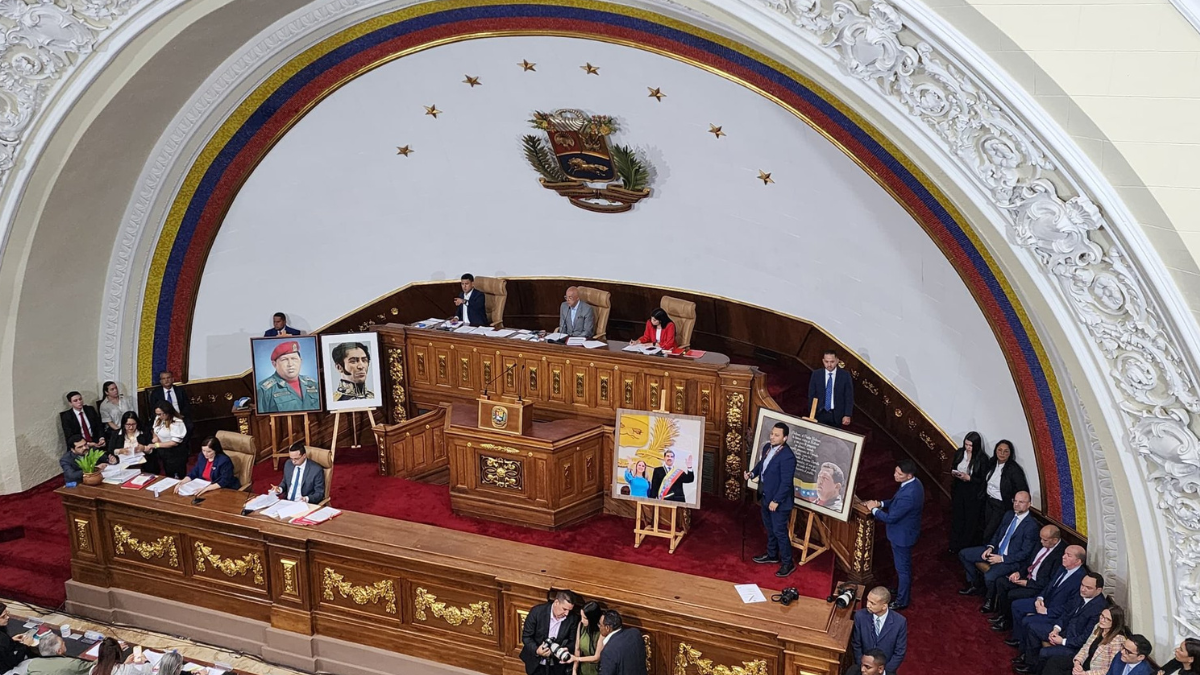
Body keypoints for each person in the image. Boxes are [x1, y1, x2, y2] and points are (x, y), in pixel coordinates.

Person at [1015, 572, 1107, 673]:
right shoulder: (1080, 595)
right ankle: (1030, 664)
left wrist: (1062, 641)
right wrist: (1056, 629)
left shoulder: (1099, 609)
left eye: (1088, 587)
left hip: (1074, 645)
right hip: (1063, 631)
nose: (1083, 589)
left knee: (1044, 652)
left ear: (1098, 590)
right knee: (1032, 628)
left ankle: (1035, 671)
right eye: (1082, 585)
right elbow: (1066, 614)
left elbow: (1086, 638)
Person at [958, 491, 1040, 605]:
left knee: (989, 576)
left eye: (1021, 502)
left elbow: (1025, 553)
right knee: (964, 554)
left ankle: (990, 601)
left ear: (1029, 504)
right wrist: (990, 547)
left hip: (1010, 560)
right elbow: (997, 534)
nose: (1016, 504)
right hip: (995, 551)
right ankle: (975, 585)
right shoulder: (1009, 515)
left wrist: (1001, 559)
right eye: (1015, 501)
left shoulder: (1031, 526)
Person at [864, 459, 924, 609]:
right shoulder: (914, 484)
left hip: (902, 536)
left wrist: (873, 509)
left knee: (903, 570)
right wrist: (881, 503)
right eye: (896, 471)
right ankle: (899, 591)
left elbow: (890, 518)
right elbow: (895, 501)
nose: (895, 475)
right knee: (902, 567)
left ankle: (902, 601)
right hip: (906, 532)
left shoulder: (909, 494)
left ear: (909, 476)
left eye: (899, 474)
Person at [745, 422, 798, 577]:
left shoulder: (788, 457)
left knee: (780, 531)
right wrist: (752, 474)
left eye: (777, 435)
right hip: (766, 496)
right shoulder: (767, 447)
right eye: (772, 434)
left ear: (785, 438)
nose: (773, 437)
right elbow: (763, 465)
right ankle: (772, 555)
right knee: (769, 528)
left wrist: (777, 500)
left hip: (779, 502)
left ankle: (788, 563)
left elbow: (786, 483)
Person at [989, 524, 1066, 631]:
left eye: (1044, 540)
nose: (1041, 542)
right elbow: (1029, 561)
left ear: (1054, 540)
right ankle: (1002, 615)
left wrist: (1027, 583)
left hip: (1037, 586)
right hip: (1027, 576)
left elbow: (1050, 581)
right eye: (1041, 539)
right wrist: (1019, 573)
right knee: (1001, 582)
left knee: (1012, 594)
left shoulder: (1061, 555)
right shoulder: (1041, 544)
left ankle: (1008, 622)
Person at [1008, 545, 1088, 643]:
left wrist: (1047, 611)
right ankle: (1018, 638)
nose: (1063, 557)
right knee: (1017, 605)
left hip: (1055, 613)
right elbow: (1049, 586)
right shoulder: (1062, 568)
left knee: (1028, 621)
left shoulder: (1081, 579)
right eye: (1064, 553)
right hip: (1044, 602)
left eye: (1069, 555)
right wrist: (1040, 598)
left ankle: (1025, 651)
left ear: (1078, 561)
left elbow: (1070, 606)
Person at [1042, 605, 1127, 675]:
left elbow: (1110, 669)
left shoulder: (1118, 640)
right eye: (1102, 616)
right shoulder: (1098, 627)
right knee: (1053, 662)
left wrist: (1085, 673)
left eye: (1107, 619)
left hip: (1093, 671)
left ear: (1115, 622)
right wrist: (1077, 662)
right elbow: (1086, 647)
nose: (1102, 620)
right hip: (1084, 662)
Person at [848, 588, 907, 675]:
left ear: (884, 606)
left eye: (872, 603)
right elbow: (856, 644)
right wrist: (863, 667)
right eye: (868, 600)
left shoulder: (900, 622)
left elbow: (899, 651)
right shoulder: (860, 616)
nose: (868, 605)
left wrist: (884, 671)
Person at [519, 590, 580, 675]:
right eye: (564, 609)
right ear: (556, 602)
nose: (566, 613)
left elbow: (573, 642)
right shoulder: (537, 612)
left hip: (557, 667)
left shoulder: (572, 619)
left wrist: (566, 648)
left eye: (569, 610)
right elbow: (526, 637)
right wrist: (537, 650)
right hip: (536, 664)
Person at [981, 439, 1029, 541]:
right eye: (1000, 450)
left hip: (1001, 505)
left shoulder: (1014, 469)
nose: (1002, 453)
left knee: (991, 531)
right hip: (988, 501)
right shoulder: (992, 463)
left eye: (1006, 451)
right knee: (983, 525)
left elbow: (1021, 489)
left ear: (1010, 453)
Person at [948, 430, 988, 553]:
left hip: (973, 492)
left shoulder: (982, 458)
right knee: (957, 516)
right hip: (959, 487)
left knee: (970, 519)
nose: (968, 448)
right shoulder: (960, 453)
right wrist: (955, 473)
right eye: (966, 444)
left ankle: (964, 546)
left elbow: (983, 479)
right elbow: (954, 466)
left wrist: (970, 478)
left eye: (971, 445)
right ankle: (954, 544)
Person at [256, 341, 320, 413]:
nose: (290, 364)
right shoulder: (264, 390)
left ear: (301, 361)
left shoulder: (313, 384)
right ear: (274, 364)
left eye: (294, 359)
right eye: (284, 360)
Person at [807, 349, 854, 427]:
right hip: (820, 413)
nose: (829, 365)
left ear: (837, 361)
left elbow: (849, 396)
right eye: (826, 362)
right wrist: (811, 412)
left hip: (836, 415)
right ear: (823, 361)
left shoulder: (844, 376)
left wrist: (847, 414)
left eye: (832, 362)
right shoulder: (816, 374)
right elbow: (811, 394)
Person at [109, 411, 160, 475]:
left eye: (133, 424)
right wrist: (120, 451)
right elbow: (110, 450)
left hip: (143, 466)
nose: (131, 427)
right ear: (123, 424)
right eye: (128, 425)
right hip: (124, 466)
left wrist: (144, 448)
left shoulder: (144, 432)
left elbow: (154, 451)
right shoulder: (116, 434)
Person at [596, 609, 646, 675]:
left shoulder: (608, 651)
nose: (599, 627)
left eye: (600, 625)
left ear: (607, 628)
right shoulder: (635, 633)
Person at [149, 401, 188, 479]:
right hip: (164, 451)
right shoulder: (158, 418)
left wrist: (156, 445)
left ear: (167, 412)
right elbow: (154, 430)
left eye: (160, 414)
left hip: (175, 453)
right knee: (168, 473)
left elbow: (174, 442)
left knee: (178, 475)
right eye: (157, 414)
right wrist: (155, 437)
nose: (159, 416)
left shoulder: (177, 422)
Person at [25, 633, 91, 675]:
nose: (64, 643)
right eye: (62, 643)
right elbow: (97, 667)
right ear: (59, 651)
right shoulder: (72, 664)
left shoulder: (33, 664)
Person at [570, 601, 606, 675]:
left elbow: (596, 658)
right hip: (583, 668)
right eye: (581, 617)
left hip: (597, 670)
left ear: (592, 619)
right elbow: (577, 648)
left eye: (585, 618)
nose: (582, 620)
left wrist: (576, 659)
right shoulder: (581, 625)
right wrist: (574, 670)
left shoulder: (602, 632)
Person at [0, 602, 30, 671]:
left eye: (7, 613)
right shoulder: (2, 639)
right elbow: (13, 662)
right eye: (3, 616)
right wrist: (25, 646)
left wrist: (11, 640)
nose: (7, 617)